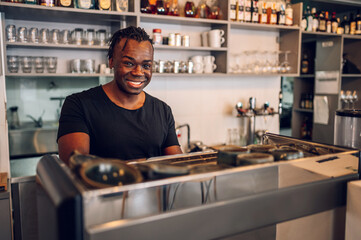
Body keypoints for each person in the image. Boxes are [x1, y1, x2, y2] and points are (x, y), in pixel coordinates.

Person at [57, 26, 182, 165]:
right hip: (103, 187)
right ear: (111, 61)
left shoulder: (162, 110)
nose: (138, 72)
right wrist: (142, 165)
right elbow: (76, 165)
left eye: (146, 66)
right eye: (129, 63)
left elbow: (177, 164)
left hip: (154, 188)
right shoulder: (78, 105)